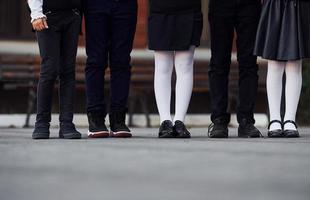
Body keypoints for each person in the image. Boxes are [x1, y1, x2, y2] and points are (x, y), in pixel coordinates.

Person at [254, 0, 310, 137]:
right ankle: (274, 119)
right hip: (274, 4)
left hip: (298, 5)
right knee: (275, 64)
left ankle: (290, 119)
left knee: (294, 64)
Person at [28, 0, 82, 139]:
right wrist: (36, 13)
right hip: (47, 16)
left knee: (68, 71)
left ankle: (66, 124)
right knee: (49, 70)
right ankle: (42, 123)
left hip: (73, 15)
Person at [148, 0, 203, 138]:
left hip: (189, 9)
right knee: (162, 66)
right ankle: (165, 121)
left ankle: (179, 120)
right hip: (160, 9)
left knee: (185, 65)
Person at [207, 0, 262, 138]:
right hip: (220, 5)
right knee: (219, 62)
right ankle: (219, 120)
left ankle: (246, 121)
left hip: (249, 5)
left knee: (248, 62)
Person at [84, 0, 137, 138]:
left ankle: (118, 119)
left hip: (126, 5)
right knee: (96, 60)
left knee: (122, 61)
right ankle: (95, 118)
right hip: (96, 5)